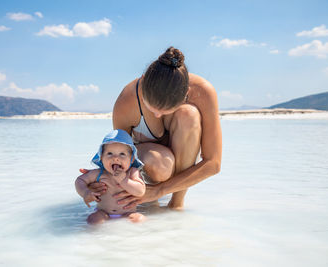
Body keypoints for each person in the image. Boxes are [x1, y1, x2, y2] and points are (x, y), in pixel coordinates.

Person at [86, 46, 222, 211]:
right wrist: (100, 176)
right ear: (143, 82)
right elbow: (119, 152)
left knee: (189, 114)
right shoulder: (126, 101)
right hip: (151, 164)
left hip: (179, 162)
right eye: (152, 108)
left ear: (187, 93)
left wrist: (160, 191)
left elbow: (213, 163)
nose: (158, 115)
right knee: (161, 164)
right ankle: (149, 202)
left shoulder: (202, 92)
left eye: (165, 111)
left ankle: (176, 204)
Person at [75, 129, 146, 224]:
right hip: (103, 213)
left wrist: (124, 180)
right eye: (109, 153)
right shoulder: (99, 173)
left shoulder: (132, 172)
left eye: (122, 154)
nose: (116, 158)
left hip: (128, 213)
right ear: (101, 158)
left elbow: (140, 191)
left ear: (132, 159)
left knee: (139, 219)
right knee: (93, 220)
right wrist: (85, 193)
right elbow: (80, 180)